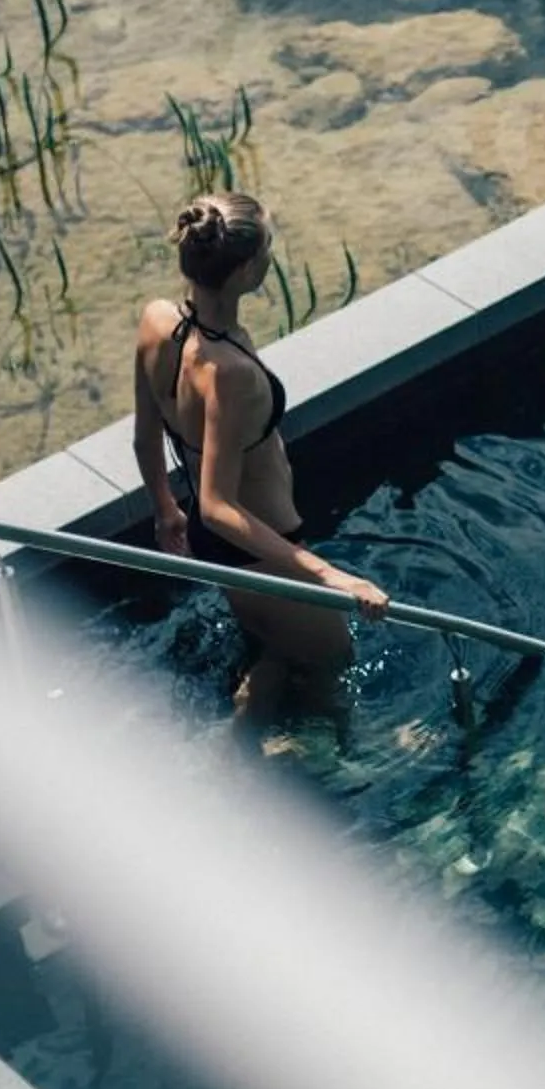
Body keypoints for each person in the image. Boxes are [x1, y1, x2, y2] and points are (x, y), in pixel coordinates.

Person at [132, 191, 387, 721]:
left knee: (277, 646)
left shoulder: (157, 321)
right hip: (261, 542)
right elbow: (219, 505)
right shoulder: (230, 373)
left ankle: (243, 733)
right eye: (268, 247)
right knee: (331, 661)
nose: (271, 256)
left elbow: (144, 435)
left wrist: (164, 512)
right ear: (248, 269)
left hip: (217, 545)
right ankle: (306, 761)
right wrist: (332, 576)